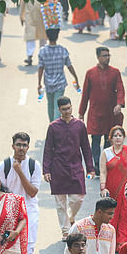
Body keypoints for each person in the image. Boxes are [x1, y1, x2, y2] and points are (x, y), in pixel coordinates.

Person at [0, 132, 42, 254]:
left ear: (28, 147)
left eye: (24, 145)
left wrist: (19, 171)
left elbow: (32, 192)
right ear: (13, 146)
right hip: (9, 213)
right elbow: (0, 191)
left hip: (29, 213)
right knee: (10, 253)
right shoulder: (4, 165)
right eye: (19, 145)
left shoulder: (33, 165)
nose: (21, 148)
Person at [43, 96, 94, 240]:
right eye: (63, 109)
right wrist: (46, 170)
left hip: (75, 166)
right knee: (60, 203)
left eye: (69, 108)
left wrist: (90, 168)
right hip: (58, 168)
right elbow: (48, 149)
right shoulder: (53, 127)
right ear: (59, 110)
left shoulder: (79, 125)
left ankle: (71, 217)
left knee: (78, 198)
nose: (66, 111)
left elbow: (85, 147)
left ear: (72, 107)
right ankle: (65, 231)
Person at [79, 46, 125, 171]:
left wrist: (119, 104)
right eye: (104, 56)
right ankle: (97, 163)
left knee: (108, 137)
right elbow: (85, 94)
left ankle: (105, 162)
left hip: (110, 112)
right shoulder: (91, 73)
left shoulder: (115, 72)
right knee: (95, 138)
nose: (107, 58)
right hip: (95, 112)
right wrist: (81, 113)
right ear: (98, 57)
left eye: (108, 55)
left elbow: (120, 89)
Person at [38, 28, 80, 122]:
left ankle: (52, 125)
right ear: (57, 37)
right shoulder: (62, 50)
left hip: (48, 83)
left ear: (47, 37)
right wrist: (76, 78)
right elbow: (69, 65)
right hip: (60, 82)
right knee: (58, 106)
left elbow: (41, 68)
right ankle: (56, 127)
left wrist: (39, 83)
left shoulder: (42, 51)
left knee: (50, 104)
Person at [21, 0, 47, 66]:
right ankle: (29, 56)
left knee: (43, 37)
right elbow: (22, 2)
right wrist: (21, 16)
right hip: (29, 16)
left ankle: (42, 56)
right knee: (30, 36)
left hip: (42, 15)